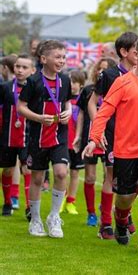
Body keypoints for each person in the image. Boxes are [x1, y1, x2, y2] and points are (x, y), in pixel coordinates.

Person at [83, 34, 138, 255]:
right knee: (124, 197)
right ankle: (121, 218)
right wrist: (95, 138)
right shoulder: (121, 83)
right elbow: (103, 112)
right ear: (137, 55)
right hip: (124, 150)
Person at [18, 40, 73, 238]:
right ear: (44, 59)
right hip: (37, 138)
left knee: (60, 173)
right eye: (57, 57)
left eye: (63, 57)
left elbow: (67, 101)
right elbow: (21, 107)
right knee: (38, 179)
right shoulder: (34, 81)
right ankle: (35, 220)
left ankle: (54, 217)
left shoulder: (65, 80)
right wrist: (39, 118)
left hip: (59, 136)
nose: (61, 61)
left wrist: (68, 111)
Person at [88, 31, 138, 239]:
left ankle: (124, 214)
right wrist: (97, 130)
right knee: (111, 174)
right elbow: (92, 102)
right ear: (124, 52)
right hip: (112, 132)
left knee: (136, 181)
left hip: (136, 133)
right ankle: (106, 224)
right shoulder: (109, 75)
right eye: (137, 51)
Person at [74, 57, 117, 226]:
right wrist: (78, 136)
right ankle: (91, 213)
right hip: (91, 138)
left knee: (110, 176)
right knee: (90, 177)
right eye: (100, 68)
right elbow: (82, 114)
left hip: (110, 139)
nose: (102, 72)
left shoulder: (116, 90)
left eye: (106, 69)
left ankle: (106, 209)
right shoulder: (88, 90)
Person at [0, 55, 35, 216]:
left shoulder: (35, 88)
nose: (20, 70)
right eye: (18, 67)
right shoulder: (5, 87)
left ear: (32, 70)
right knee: (8, 170)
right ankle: (7, 202)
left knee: (27, 169)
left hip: (28, 137)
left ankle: (29, 206)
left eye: (24, 67)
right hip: (7, 136)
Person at [59, 70, 86, 215]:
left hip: (77, 144)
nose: (71, 85)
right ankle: (61, 199)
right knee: (64, 172)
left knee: (75, 173)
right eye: (69, 82)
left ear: (81, 84)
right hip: (64, 142)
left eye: (74, 82)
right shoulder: (63, 99)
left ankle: (71, 201)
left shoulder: (83, 100)